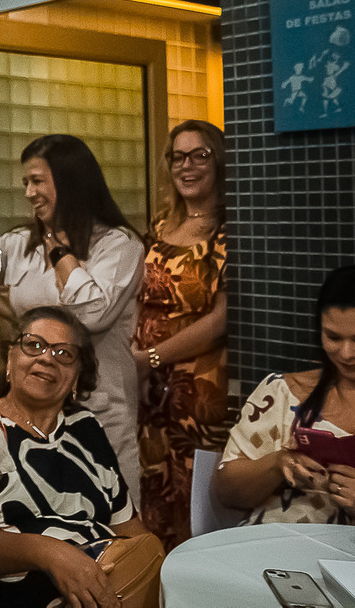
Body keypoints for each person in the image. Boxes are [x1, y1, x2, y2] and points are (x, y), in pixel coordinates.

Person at [0, 307, 154, 608]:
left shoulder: (86, 428)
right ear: (10, 359)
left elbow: (130, 530)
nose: (47, 358)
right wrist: (48, 553)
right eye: (33, 345)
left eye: (64, 353)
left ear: (77, 377)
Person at [0, 134, 144, 497]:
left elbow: (93, 313)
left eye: (37, 181)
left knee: (111, 512)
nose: (29, 193)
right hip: (34, 405)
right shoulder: (18, 244)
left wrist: (61, 254)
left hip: (101, 405)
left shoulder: (119, 245)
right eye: (25, 183)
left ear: (70, 182)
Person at [131, 120, 230, 549]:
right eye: (178, 157)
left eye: (199, 155)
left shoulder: (230, 231)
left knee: (194, 504)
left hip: (196, 385)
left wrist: (152, 356)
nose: (187, 166)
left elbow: (220, 319)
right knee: (152, 495)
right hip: (145, 387)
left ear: (219, 163)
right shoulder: (159, 225)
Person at [213, 264, 355, 526]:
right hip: (268, 545)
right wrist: (277, 464)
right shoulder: (281, 393)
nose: (346, 353)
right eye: (333, 337)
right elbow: (225, 492)